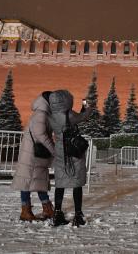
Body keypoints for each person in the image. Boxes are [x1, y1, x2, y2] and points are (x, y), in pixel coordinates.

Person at [48, 90, 91, 227]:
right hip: (72, 150)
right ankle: (78, 214)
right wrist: (86, 103)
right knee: (76, 182)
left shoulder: (51, 116)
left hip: (60, 150)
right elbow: (84, 116)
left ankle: (57, 213)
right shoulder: (69, 114)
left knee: (60, 183)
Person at [11, 91, 55, 221]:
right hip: (32, 155)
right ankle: (26, 210)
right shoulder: (40, 115)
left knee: (38, 182)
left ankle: (47, 208)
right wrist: (53, 150)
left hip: (36, 155)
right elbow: (41, 135)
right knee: (27, 182)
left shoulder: (43, 114)